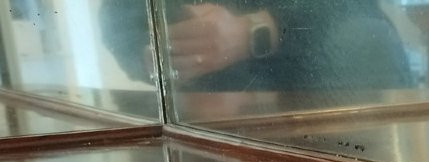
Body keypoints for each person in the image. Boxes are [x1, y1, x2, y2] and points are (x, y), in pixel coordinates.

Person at [101, 0, 412, 94]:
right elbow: (121, 20)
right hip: (199, 124)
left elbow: (360, 12)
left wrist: (253, 32)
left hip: (324, 111)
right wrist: (151, 53)